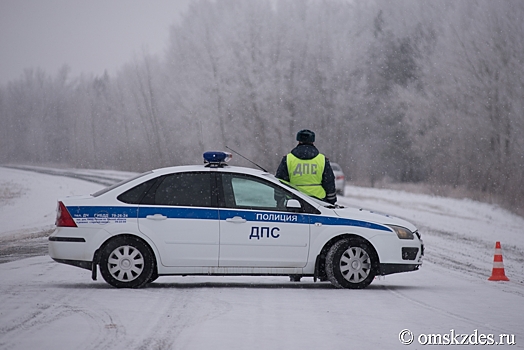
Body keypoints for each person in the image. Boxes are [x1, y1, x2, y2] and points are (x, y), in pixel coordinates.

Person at [276, 129, 337, 205]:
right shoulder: (322, 159)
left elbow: (280, 182)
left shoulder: (288, 159)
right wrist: (331, 201)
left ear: (298, 141)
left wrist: (279, 201)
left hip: (294, 202)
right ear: (313, 142)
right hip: (318, 201)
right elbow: (329, 182)